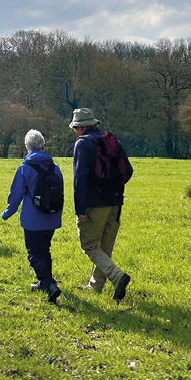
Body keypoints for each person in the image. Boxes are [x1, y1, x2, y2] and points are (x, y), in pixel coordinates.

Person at [70, 108, 134, 302]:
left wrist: (80, 209)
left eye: (75, 128)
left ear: (80, 128)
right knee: (104, 248)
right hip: (116, 203)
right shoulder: (113, 141)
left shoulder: (82, 144)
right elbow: (128, 171)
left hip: (94, 204)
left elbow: (79, 178)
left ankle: (117, 276)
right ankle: (95, 287)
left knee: (89, 245)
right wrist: (112, 188)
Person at [1, 129, 63, 302]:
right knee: (45, 250)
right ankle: (44, 283)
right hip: (51, 217)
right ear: (43, 146)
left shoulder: (24, 168)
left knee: (34, 253)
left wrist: (7, 213)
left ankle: (49, 284)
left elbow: (15, 195)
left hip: (32, 219)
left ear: (27, 147)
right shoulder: (55, 167)